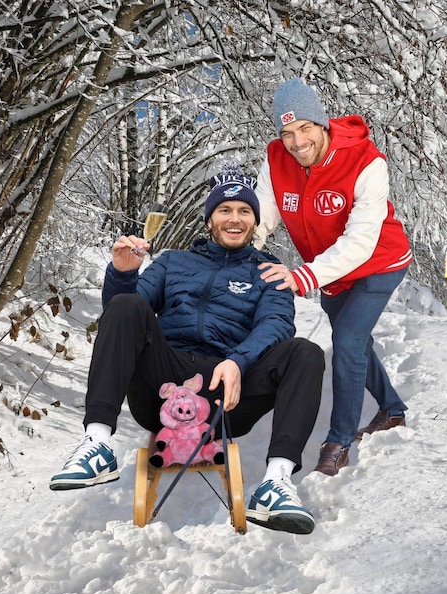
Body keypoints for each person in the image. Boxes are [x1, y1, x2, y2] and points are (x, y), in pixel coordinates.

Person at [49, 166, 325, 535]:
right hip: (162, 387)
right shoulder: (172, 262)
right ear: (210, 218)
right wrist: (122, 275)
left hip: (225, 395)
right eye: (225, 210)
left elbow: (276, 326)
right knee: (127, 305)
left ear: (255, 221)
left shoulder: (268, 271)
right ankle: (97, 444)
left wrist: (237, 362)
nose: (235, 219)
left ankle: (276, 483)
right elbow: (124, 317)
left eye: (245, 211)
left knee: (305, 353)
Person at [254, 77, 413, 476]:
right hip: (332, 271)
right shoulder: (276, 159)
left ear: (322, 124)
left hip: (379, 262)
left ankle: (338, 438)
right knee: (353, 339)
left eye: (305, 128)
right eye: (287, 132)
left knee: (347, 338)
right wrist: (241, 247)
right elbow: (263, 212)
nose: (296, 141)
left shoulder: (366, 162)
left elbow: (360, 241)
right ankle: (392, 409)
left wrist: (304, 277)